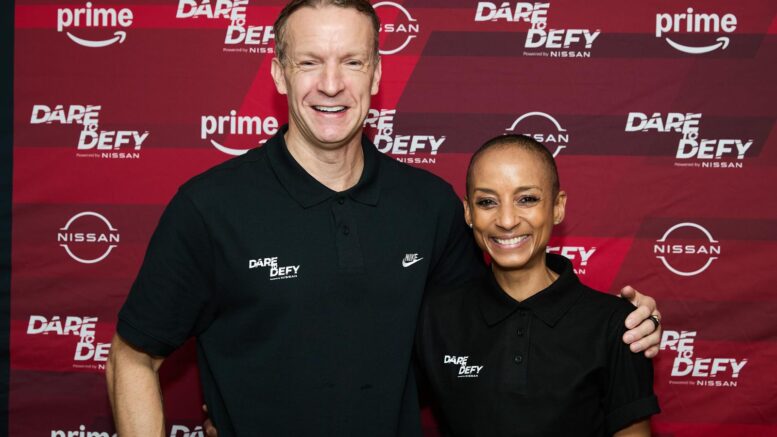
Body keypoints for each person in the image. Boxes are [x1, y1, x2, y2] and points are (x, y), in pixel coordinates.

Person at [106, 1, 662, 436]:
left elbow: (499, 308)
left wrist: (615, 323)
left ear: (375, 75)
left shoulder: (428, 204)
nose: (330, 84)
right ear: (278, 74)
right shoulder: (209, 207)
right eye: (309, 62)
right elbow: (132, 358)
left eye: (351, 61)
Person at [415, 134, 660, 436]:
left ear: (557, 207)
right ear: (468, 212)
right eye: (487, 202)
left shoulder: (617, 325)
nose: (506, 220)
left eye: (527, 199)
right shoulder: (436, 316)